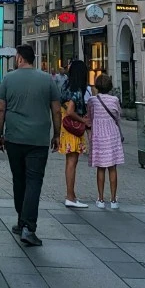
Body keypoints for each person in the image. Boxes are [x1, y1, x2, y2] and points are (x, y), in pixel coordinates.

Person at [0, 43, 61, 247]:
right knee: (34, 181)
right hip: (38, 140)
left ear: (20, 58)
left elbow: (0, 109)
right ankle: (28, 227)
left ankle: (21, 220)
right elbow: (56, 110)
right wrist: (57, 135)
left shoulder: (8, 79)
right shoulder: (47, 80)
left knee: (19, 179)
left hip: (14, 138)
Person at [88, 72, 125, 209]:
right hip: (112, 135)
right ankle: (114, 200)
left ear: (97, 86)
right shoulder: (114, 100)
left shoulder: (92, 100)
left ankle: (101, 199)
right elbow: (118, 116)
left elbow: (90, 117)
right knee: (112, 167)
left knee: (101, 167)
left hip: (99, 136)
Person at [59, 59, 90, 209]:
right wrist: (83, 120)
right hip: (73, 128)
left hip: (65, 126)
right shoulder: (77, 89)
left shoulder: (66, 85)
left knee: (69, 161)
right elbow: (71, 110)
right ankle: (70, 196)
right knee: (72, 161)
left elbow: (63, 105)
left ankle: (71, 195)